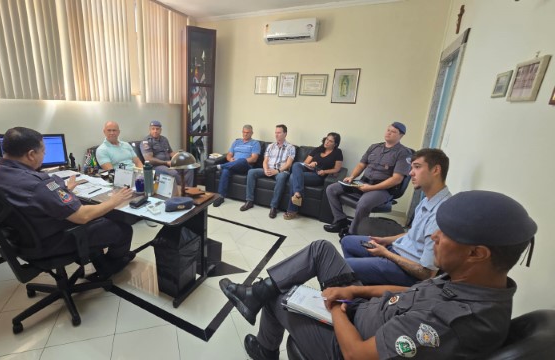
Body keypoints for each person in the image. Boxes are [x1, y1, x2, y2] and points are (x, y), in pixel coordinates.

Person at [220, 190, 537, 360]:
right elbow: (406, 291)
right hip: (360, 311)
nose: (433, 237)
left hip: (347, 341)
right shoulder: (467, 280)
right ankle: (252, 297)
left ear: (476, 253)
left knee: (280, 296)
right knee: (321, 248)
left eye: (446, 233)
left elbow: (357, 354)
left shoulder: (448, 322)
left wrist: (335, 308)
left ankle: (265, 348)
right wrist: (356, 292)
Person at [0, 127, 135, 279]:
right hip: (51, 242)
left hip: (19, 241)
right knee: (122, 228)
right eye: (43, 151)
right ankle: (110, 267)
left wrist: (61, 192)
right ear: (31, 154)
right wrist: (115, 200)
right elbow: (82, 216)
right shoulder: (40, 184)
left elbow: (28, 199)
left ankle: (100, 264)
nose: (44, 154)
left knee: (101, 222)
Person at [341, 148, 451, 286]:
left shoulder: (441, 213)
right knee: (347, 242)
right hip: (397, 251)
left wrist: (386, 254)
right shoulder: (427, 200)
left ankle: (358, 284)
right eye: (411, 168)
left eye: (417, 167)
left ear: (436, 170)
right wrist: (385, 240)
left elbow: (426, 273)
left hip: (408, 270)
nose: (410, 173)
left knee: (344, 266)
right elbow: (412, 235)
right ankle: (359, 286)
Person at [324, 122, 411, 236]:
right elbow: (361, 165)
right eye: (388, 130)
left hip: (382, 189)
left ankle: (353, 233)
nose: (388, 133)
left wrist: (372, 188)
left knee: (364, 203)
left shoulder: (403, 153)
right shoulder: (374, 147)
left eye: (393, 131)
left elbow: (396, 179)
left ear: (401, 135)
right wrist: (352, 177)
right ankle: (341, 221)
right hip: (363, 182)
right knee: (331, 189)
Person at [283, 132, 343, 220]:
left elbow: (337, 169)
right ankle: (297, 194)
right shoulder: (319, 149)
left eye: (330, 141)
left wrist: (325, 171)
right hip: (309, 170)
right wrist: (312, 164)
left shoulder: (337, 152)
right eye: (327, 139)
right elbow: (305, 163)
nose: (327, 142)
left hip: (318, 175)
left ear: (335, 144)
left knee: (292, 177)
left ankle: (293, 208)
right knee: (296, 164)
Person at [240, 124, 295, 219]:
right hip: (268, 169)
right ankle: (249, 201)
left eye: (279, 133)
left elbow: (288, 164)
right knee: (251, 172)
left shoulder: (291, 147)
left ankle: (274, 206)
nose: (276, 135)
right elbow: (265, 161)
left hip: (281, 171)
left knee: (282, 177)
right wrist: (265, 169)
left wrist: (277, 171)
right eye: (275, 132)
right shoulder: (270, 146)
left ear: (285, 134)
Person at [211, 125, 261, 207]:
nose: (245, 134)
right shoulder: (236, 142)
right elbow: (229, 155)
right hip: (233, 165)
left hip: (246, 166)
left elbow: (254, 159)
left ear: (252, 133)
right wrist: (230, 160)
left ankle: (219, 166)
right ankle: (221, 196)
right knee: (225, 171)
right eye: (244, 132)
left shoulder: (255, 143)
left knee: (241, 160)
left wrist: (241, 161)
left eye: (247, 133)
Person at [140, 120, 194, 187]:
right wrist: (165, 163)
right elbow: (149, 159)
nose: (155, 131)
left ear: (161, 130)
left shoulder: (164, 139)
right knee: (173, 173)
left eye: (157, 129)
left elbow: (171, 153)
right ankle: (183, 190)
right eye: (153, 129)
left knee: (189, 168)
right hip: (156, 167)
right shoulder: (146, 142)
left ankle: (189, 189)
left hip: (169, 163)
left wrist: (180, 158)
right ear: (149, 130)